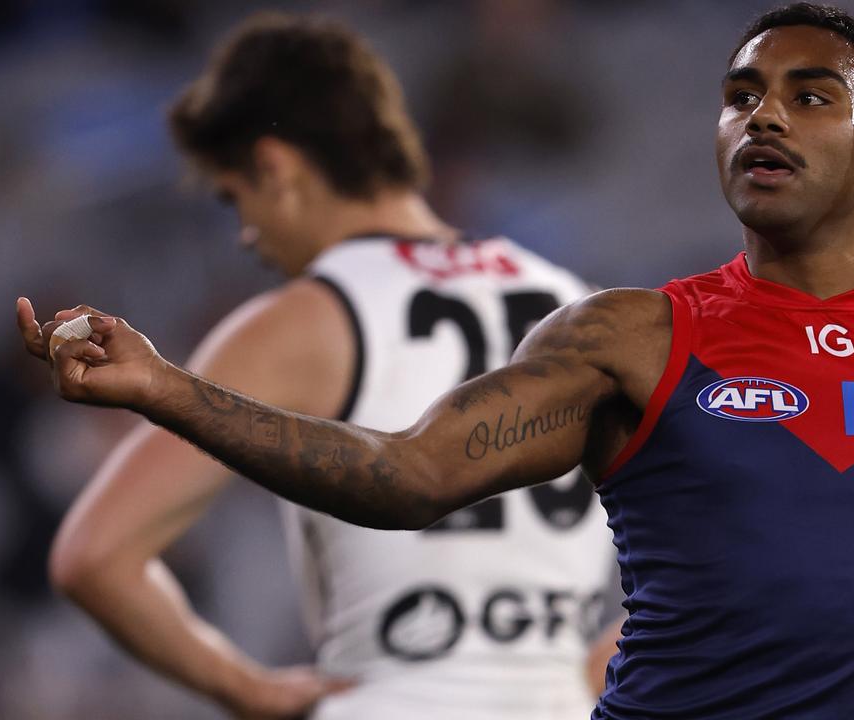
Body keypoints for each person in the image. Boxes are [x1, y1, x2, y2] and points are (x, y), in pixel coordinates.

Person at [19, 4, 854, 719]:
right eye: (739, 97)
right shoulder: (630, 336)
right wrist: (168, 391)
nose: (761, 118)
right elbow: (405, 474)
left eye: (806, 95)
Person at [34, 12, 617, 720]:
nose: (246, 234)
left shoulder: (305, 318)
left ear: (276, 169)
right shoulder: (579, 303)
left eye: (234, 197)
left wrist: (250, 691)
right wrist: (580, 677)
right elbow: (708, 551)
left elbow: (93, 556)